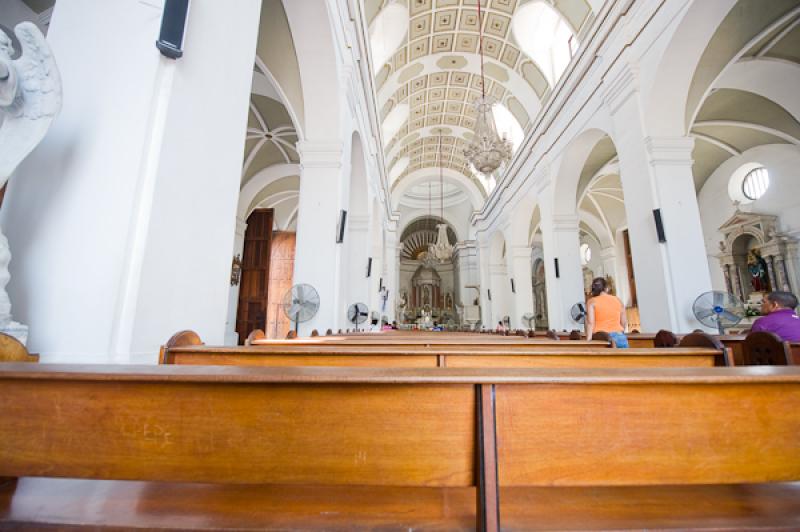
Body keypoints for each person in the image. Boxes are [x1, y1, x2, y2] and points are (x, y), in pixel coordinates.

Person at [586, 277, 628, 348]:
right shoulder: (618, 300)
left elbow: (590, 323)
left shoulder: (591, 302)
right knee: (625, 359)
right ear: (606, 288)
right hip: (620, 337)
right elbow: (624, 322)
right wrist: (619, 332)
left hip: (602, 339)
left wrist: (588, 341)